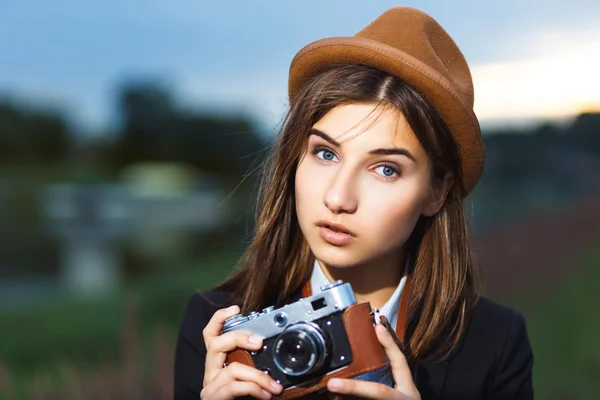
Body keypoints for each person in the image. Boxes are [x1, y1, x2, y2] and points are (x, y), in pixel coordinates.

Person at [174, 6, 534, 400]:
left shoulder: (494, 345)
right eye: (325, 154)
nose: (338, 198)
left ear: (437, 192)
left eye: (385, 169)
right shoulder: (218, 326)